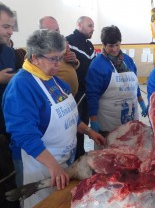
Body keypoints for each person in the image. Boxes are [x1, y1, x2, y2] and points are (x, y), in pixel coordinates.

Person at [2, 30, 105, 208]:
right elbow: (24, 135)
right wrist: (53, 166)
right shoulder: (21, 86)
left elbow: (70, 115)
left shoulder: (54, 80)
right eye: (54, 59)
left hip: (62, 160)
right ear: (35, 58)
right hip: (37, 165)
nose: (59, 64)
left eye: (61, 57)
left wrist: (88, 131)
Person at [86, 25, 147, 142]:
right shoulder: (97, 65)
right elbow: (92, 96)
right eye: (110, 46)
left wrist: (142, 103)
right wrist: (93, 120)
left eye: (117, 45)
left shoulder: (128, 60)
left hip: (130, 120)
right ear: (103, 45)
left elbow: (135, 85)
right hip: (108, 124)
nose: (114, 49)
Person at [66, 16, 95, 159]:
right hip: (75, 92)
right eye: (90, 26)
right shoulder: (68, 42)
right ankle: (74, 156)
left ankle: (81, 153)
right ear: (79, 25)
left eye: (93, 26)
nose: (93, 29)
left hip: (88, 91)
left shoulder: (89, 45)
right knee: (73, 125)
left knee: (84, 122)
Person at [0, 3, 20, 208]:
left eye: (11, 26)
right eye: (6, 26)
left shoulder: (8, 51)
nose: (10, 31)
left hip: (7, 127)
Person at [39, 16, 79, 97]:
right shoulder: (37, 52)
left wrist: (74, 61)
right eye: (51, 32)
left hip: (71, 98)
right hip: (55, 99)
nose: (56, 35)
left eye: (57, 30)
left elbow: (72, 66)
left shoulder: (61, 46)